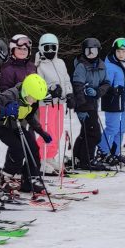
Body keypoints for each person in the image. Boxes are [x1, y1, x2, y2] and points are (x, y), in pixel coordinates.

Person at [0, 74, 52, 197]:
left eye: (37, 99)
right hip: (1, 126)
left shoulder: (32, 99)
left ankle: (30, 179)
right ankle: (6, 178)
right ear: (25, 91)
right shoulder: (10, 95)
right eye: (33, 98)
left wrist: (41, 132)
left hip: (16, 125)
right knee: (18, 148)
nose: (34, 101)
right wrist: (6, 108)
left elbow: (29, 116)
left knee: (33, 147)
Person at [34, 33, 72, 174]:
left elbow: (66, 80)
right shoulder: (39, 66)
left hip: (60, 104)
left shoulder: (60, 63)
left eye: (52, 48)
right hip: (47, 105)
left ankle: (50, 156)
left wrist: (69, 93)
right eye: (46, 48)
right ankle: (40, 158)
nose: (50, 51)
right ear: (41, 48)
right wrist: (49, 92)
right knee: (48, 131)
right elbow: (37, 87)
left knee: (58, 132)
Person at [71, 38, 109, 170]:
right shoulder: (81, 66)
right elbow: (77, 87)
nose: (90, 54)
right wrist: (81, 108)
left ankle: (77, 157)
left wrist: (97, 92)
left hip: (93, 103)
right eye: (88, 51)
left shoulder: (101, 65)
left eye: (93, 51)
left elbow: (106, 83)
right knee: (94, 134)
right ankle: (87, 160)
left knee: (86, 132)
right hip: (84, 105)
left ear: (98, 51)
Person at [100, 37, 125, 165]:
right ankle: (103, 151)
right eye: (119, 51)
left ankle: (115, 152)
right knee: (112, 128)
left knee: (122, 128)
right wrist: (112, 90)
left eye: (124, 51)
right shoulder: (109, 65)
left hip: (124, 101)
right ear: (114, 51)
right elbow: (105, 84)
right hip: (112, 102)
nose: (121, 54)